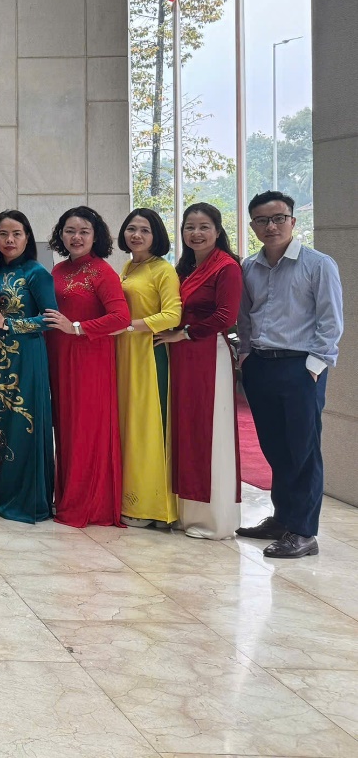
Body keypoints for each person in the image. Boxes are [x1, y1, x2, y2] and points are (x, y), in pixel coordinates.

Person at [235, 191, 343, 559]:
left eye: (279, 218)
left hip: (300, 368)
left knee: (303, 450)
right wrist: (246, 355)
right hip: (261, 365)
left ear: (293, 221)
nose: (271, 226)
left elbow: (331, 321)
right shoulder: (249, 267)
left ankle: (303, 532)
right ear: (253, 226)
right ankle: (282, 519)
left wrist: (314, 367)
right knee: (275, 448)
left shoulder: (318, 264)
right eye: (262, 220)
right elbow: (244, 317)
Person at [156, 203, 243, 539]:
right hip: (182, 355)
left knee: (209, 431)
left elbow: (226, 316)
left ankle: (212, 519)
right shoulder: (186, 268)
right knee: (185, 428)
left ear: (218, 231)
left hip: (208, 354)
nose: (196, 233)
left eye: (204, 226)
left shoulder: (227, 267)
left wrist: (184, 334)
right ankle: (185, 511)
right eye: (189, 227)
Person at [45, 206, 131, 528]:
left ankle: (89, 504)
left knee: (84, 430)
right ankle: (67, 495)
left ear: (96, 236)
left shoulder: (102, 271)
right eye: (70, 231)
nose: (76, 237)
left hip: (89, 361)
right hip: (59, 359)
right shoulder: (57, 270)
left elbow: (121, 318)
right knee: (65, 429)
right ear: (61, 234)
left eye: (84, 231)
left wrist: (77, 328)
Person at [0, 210, 56, 524]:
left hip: (26, 357)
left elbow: (50, 319)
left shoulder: (36, 273)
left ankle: (24, 499)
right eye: (3, 234)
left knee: (21, 423)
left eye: (16, 234)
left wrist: (8, 324)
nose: (9, 240)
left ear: (27, 237)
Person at [115, 208, 182, 528]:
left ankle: (152, 507)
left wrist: (130, 326)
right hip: (123, 353)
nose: (137, 235)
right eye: (131, 228)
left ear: (157, 235)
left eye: (145, 230)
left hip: (148, 354)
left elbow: (172, 315)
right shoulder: (129, 266)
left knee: (147, 428)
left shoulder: (163, 270)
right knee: (128, 425)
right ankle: (130, 497)